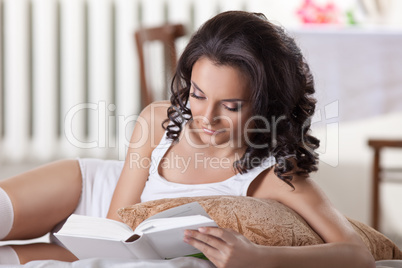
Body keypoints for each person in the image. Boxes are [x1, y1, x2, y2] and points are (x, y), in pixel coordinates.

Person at [0, 11, 375, 267]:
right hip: (89, 195)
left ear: (267, 105)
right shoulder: (158, 120)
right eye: (197, 95)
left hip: (122, 248)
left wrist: (259, 258)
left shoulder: (273, 174)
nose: (206, 119)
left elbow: (356, 254)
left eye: (230, 106)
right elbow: (116, 223)